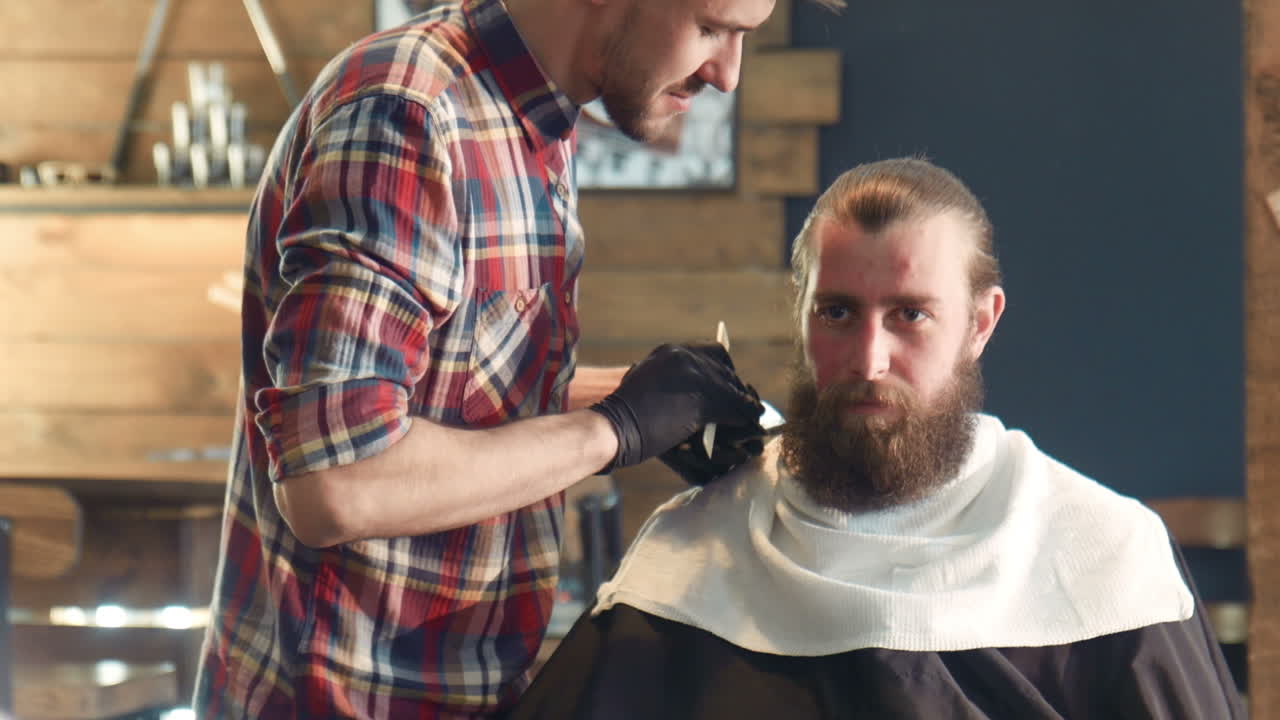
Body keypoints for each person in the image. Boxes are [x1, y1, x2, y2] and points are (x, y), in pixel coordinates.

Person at [190, 0, 855, 713]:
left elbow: (445, 388)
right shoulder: (408, 114)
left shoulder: (529, 121)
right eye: (712, 29)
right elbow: (336, 482)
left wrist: (649, 401)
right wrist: (612, 430)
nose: (727, 73)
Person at [508, 158, 1247, 719]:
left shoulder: (1103, 555)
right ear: (799, 314)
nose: (868, 361)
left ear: (979, 324)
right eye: (836, 312)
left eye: (910, 316)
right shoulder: (698, 549)